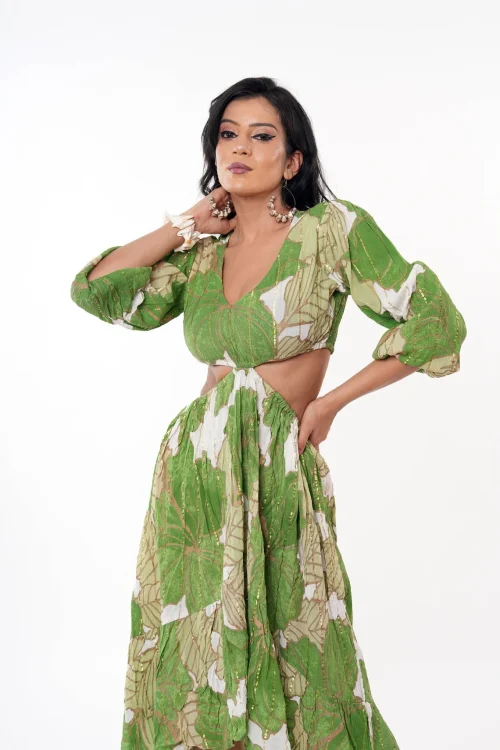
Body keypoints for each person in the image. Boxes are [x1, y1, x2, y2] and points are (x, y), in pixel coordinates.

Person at [69, 76, 467, 750]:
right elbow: (96, 292)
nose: (240, 148)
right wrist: (186, 223)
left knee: (306, 650)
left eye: (262, 136)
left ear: (293, 161)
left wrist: (333, 402)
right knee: (194, 655)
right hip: (194, 480)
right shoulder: (202, 254)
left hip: (278, 466)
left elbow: (436, 322)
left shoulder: (332, 231)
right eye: (228, 134)